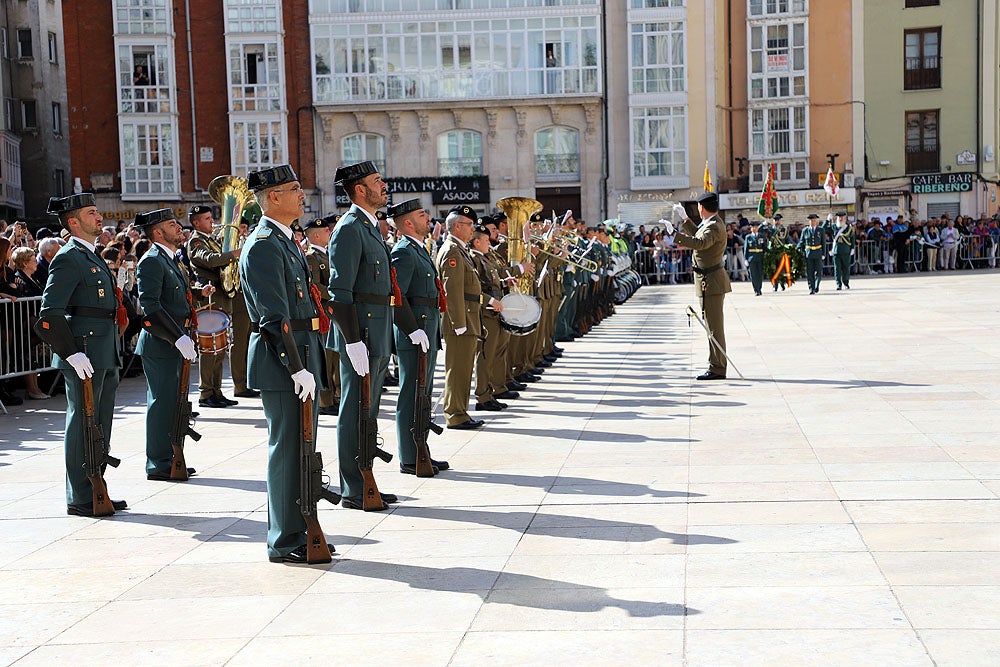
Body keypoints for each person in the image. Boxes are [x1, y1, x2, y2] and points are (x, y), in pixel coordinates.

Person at [239, 164, 332, 562]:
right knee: (286, 448)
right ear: (273, 197)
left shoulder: (284, 240)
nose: (302, 195)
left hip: (301, 353)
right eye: (294, 189)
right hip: (283, 361)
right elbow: (273, 317)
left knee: (301, 446)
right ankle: (283, 538)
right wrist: (295, 366)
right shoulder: (262, 244)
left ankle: (299, 526)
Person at [34, 194, 128, 516]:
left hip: (103, 349)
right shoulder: (68, 257)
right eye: (92, 213)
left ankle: (96, 485)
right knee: (81, 422)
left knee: (100, 422)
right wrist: (71, 353)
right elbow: (48, 314)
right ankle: (79, 495)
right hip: (84, 352)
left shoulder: (92, 255)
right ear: (74, 222)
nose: (99, 217)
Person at [327, 160, 404, 510]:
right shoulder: (349, 228)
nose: (384, 185)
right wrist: (352, 339)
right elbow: (338, 292)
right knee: (355, 409)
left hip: (376, 328)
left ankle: (365, 477)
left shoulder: (369, 226)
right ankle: (353, 487)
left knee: (368, 409)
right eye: (377, 181)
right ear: (360, 190)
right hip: (360, 331)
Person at [133, 208, 207, 481]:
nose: (179, 228)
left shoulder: (172, 260)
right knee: (162, 403)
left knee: (175, 404)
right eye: (172, 224)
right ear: (157, 232)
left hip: (177, 339)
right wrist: (177, 336)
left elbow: (177, 298)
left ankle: (173, 456)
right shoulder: (151, 261)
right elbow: (150, 307)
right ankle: (158, 463)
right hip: (162, 343)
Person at [387, 198, 449, 474]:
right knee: (411, 393)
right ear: (408, 223)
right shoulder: (403, 252)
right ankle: (409, 456)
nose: (428, 219)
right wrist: (412, 330)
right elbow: (398, 297)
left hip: (427, 328)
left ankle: (421, 450)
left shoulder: (418, 249)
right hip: (415, 331)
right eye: (422, 215)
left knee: (422, 394)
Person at [668, 192, 731, 380]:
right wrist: (686, 219)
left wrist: (674, 234)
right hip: (708, 281)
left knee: (714, 328)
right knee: (711, 325)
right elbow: (698, 235)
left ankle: (717, 368)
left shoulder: (713, 227)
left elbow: (701, 243)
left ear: (701, 208)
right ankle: (715, 365)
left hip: (711, 282)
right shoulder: (711, 224)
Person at [185, 204, 241, 408]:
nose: (212, 221)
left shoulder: (211, 240)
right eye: (207, 219)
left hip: (221, 296)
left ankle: (216, 391)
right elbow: (210, 260)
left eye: (211, 218)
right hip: (208, 297)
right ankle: (205, 393)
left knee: (221, 348)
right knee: (209, 349)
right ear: (196, 223)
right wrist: (234, 254)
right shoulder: (196, 242)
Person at [436, 205, 485, 428]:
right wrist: (458, 323)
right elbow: (452, 289)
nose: (473, 228)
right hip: (461, 318)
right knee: (457, 370)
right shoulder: (452, 250)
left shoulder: (460, 249)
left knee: (464, 369)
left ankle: (461, 411)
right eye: (469, 225)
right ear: (457, 226)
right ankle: (455, 414)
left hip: (468, 316)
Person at [301, 214, 342, 417]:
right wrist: (335, 292)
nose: (330, 232)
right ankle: (325, 401)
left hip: (333, 312)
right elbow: (314, 286)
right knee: (326, 358)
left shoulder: (328, 254)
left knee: (335, 357)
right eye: (326, 231)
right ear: (316, 236)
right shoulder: (311, 257)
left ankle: (335, 395)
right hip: (323, 312)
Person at [470, 220, 509, 411]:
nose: (489, 243)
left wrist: (504, 281)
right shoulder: (474, 259)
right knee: (485, 356)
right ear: (477, 242)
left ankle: (490, 392)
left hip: (495, 311)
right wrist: (491, 302)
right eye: (486, 240)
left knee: (494, 353)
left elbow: (492, 282)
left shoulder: (485, 258)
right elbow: (477, 288)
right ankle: (482, 396)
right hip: (486, 312)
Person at [797, 213, 826, 294]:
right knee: (810, 272)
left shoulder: (821, 230)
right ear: (809, 221)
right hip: (809, 253)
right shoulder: (805, 230)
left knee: (819, 271)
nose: (813, 222)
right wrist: (798, 249)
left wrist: (824, 254)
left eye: (814, 220)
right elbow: (801, 242)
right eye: (811, 220)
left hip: (818, 253)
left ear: (816, 221)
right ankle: (811, 288)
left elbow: (823, 242)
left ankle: (816, 285)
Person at [829, 212, 855, 290]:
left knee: (846, 268)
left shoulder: (848, 228)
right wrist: (828, 220)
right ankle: (838, 284)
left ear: (845, 218)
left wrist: (852, 248)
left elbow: (852, 238)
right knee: (837, 269)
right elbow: (824, 228)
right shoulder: (834, 226)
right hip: (836, 251)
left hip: (846, 251)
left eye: (842, 217)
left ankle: (846, 283)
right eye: (839, 217)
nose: (841, 219)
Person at [743, 219, 766, 296]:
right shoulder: (748, 237)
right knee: (753, 274)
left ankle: (759, 288)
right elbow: (746, 249)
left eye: (756, 227)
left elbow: (764, 247)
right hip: (751, 258)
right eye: (753, 227)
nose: (754, 229)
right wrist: (745, 259)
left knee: (759, 274)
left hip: (760, 257)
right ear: (751, 228)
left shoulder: (761, 236)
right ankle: (756, 289)